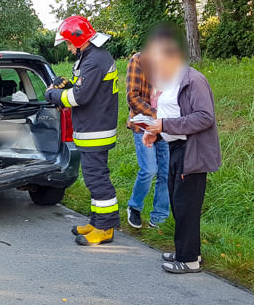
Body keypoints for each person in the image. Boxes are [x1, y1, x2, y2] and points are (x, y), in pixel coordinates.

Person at [142, 26, 221, 273]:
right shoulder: (173, 80)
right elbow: (170, 113)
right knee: (179, 204)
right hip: (176, 146)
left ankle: (188, 260)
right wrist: (153, 130)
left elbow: (204, 117)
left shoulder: (193, 80)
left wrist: (163, 125)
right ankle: (187, 251)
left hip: (192, 150)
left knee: (186, 205)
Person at [46, 16, 120, 246]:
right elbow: (85, 90)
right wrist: (67, 85)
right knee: (93, 178)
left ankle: (105, 229)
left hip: (96, 130)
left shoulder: (94, 60)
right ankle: (97, 222)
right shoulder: (92, 56)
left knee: (97, 179)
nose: (68, 48)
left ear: (78, 40)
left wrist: (53, 94)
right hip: (93, 127)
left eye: (68, 43)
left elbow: (79, 97)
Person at [125, 47, 169, 229]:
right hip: (143, 124)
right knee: (149, 169)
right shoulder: (138, 60)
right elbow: (132, 97)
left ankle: (159, 218)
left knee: (166, 173)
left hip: (166, 125)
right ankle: (134, 206)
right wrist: (156, 115)